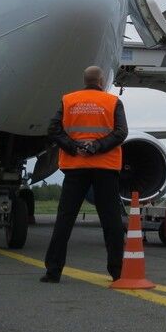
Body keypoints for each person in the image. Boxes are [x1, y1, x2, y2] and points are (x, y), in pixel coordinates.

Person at [41, 66, 128, 283]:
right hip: (105, 168)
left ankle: (53, 271)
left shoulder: (68, 100)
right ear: (101, 80)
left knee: (65, 219)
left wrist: (73, 146)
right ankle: (118, 272)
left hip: (75, 166)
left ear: (84, 80)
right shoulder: (113, 102)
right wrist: (97, 146)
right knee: (111, 221)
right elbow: (121, 133)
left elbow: (53, 130)